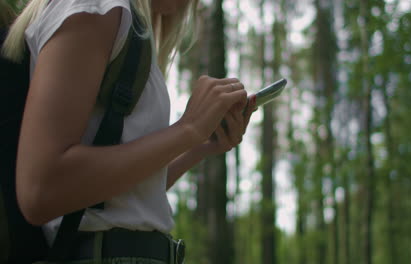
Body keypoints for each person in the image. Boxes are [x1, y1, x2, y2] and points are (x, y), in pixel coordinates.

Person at [2, 0, 256, 263]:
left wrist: (200, 143)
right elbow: (42, 189)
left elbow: (118, 199)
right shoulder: (94, 8)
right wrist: (187, 129)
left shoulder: (122, 23)